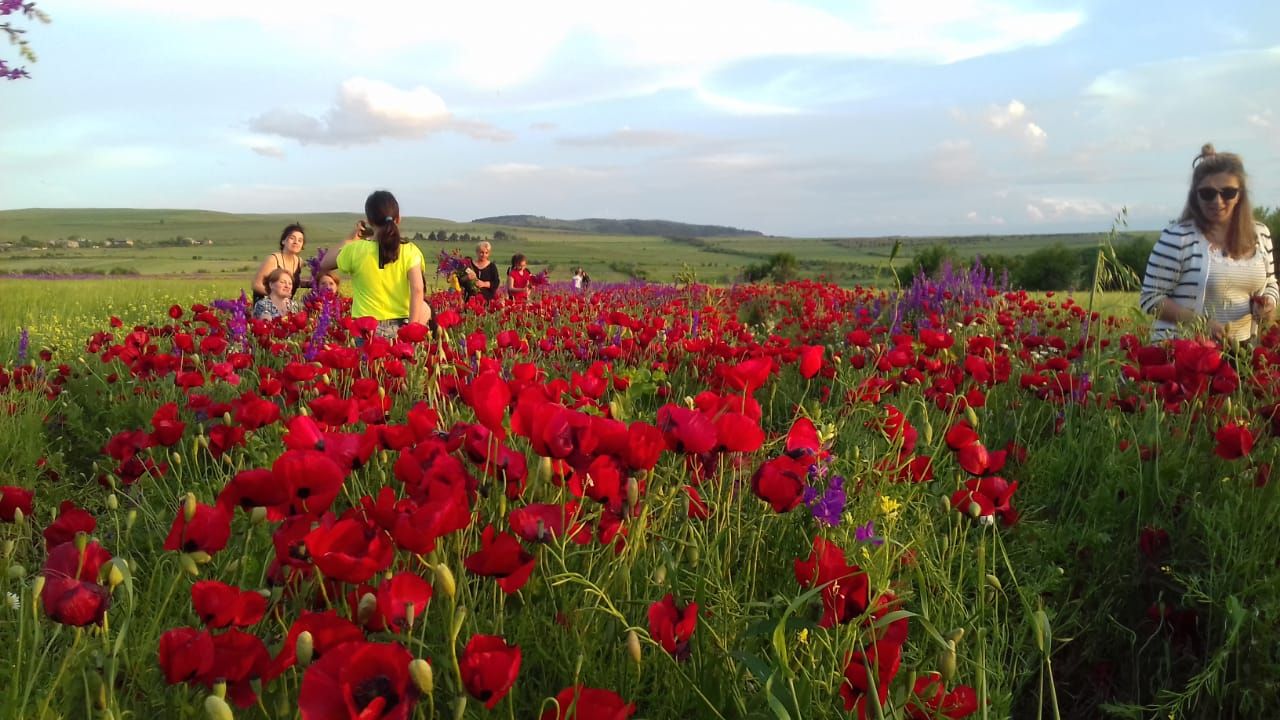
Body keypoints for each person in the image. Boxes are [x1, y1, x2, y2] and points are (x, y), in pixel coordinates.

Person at [1140, 144, 1278, 342]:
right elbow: (1151, 299)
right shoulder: (1178, 238)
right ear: (1195, 195)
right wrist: (1201, 324)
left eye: (1228, 192)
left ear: (1240, 195)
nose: (1218, 201)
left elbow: (1270, 283)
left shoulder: (1260, 235)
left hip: (1241, 354)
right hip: (1184, 354)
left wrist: (1267, 303)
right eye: (1207, 193)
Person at [319, 190, 430, 338]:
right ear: (398, 219)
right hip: (400, 325)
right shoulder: (410, 251)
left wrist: (351, 238)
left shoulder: (355, 249)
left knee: (367, 361)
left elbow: (324, 263)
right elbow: (417, 289)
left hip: (365, 328)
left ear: (369, 221)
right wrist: (411, 330)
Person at [252, 223, 307, 303]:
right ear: (283, 241)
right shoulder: (273, 260)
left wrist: (309, 283)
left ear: (302, 246)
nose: (296, 242)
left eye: (300, 240)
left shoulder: (299, 262)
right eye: (292, 238)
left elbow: (287, 282)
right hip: (265, 306)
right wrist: (275, 296)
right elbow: (256, 284)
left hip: (285, 307)